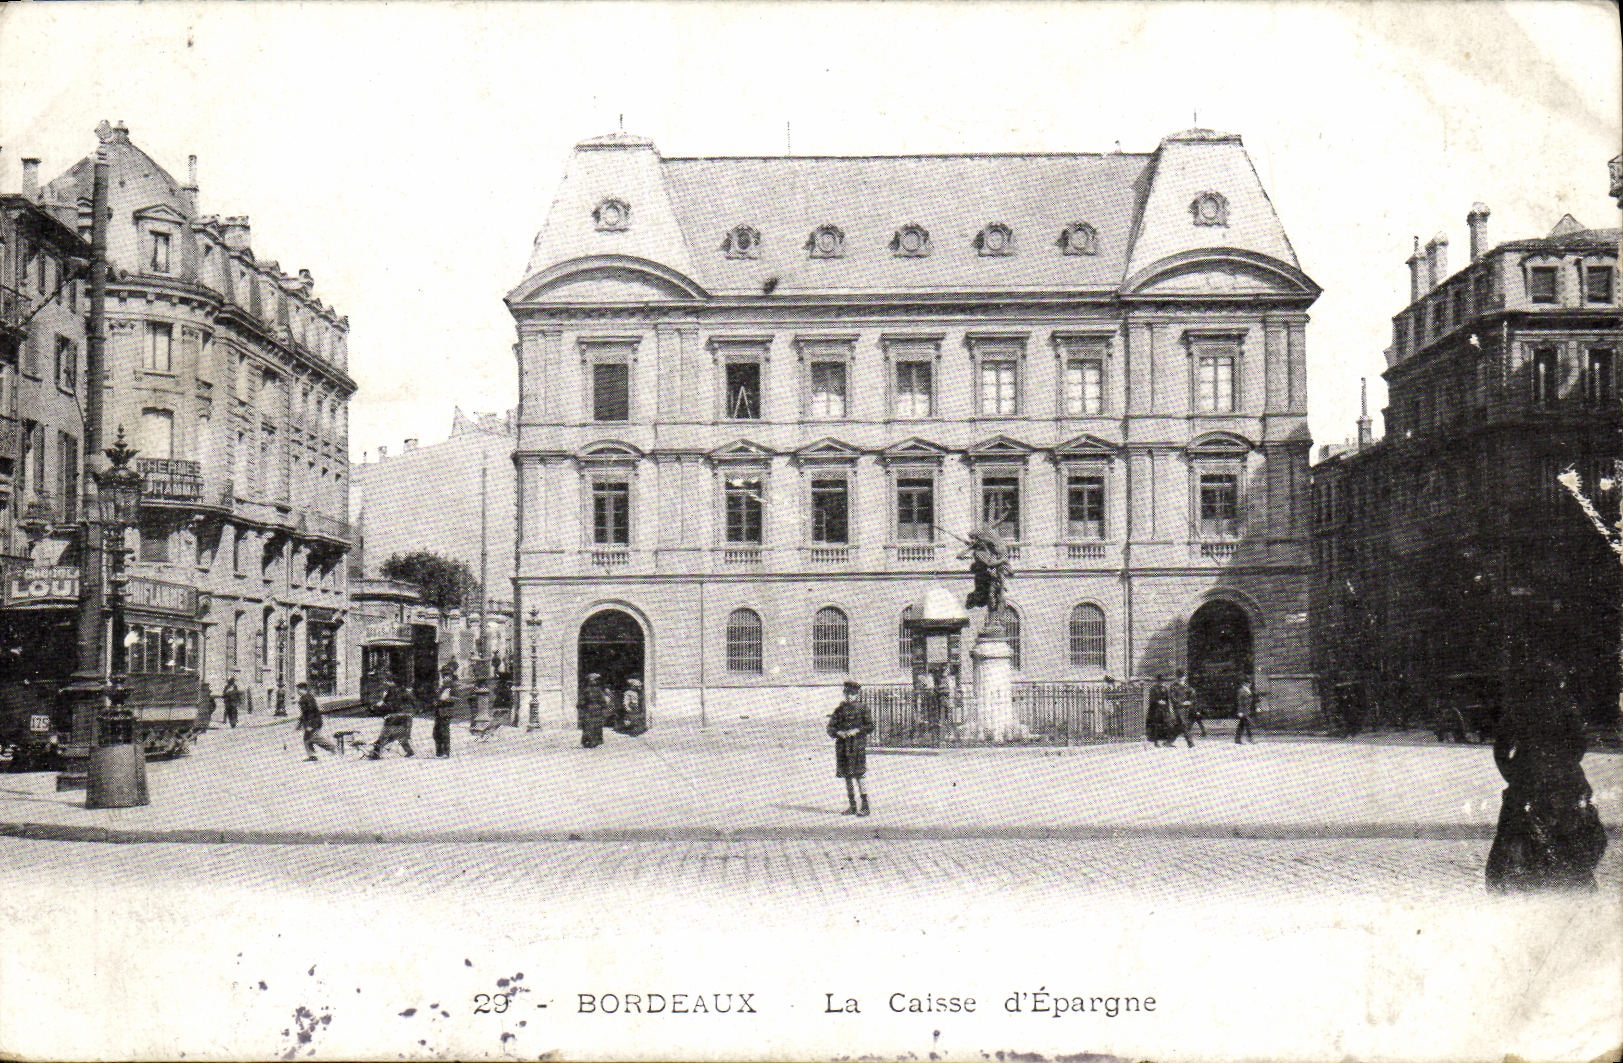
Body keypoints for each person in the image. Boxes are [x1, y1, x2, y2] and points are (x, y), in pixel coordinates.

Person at [1485, 661, 1607, 893]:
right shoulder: (1566, 706)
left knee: (1509, 832)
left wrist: (1513, 774)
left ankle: (1502, 884)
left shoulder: (1519, 708)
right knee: (1572, 832)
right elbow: (1580, 744)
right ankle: (1573, 881)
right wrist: (1564, 763)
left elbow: (1501, 749)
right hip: (1564, 780)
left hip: (1527, 779)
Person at [827, 680, 874, 816]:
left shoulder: (863, 708)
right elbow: (830, 727)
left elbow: (870, 726)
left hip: (857, 746)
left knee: (859, 775)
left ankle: (865, 806)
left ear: (857, 694)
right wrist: (838, 732)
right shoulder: (839, 709)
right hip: (843, 746)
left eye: (852, 694)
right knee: (847, 776)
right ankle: (852, 806)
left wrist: (857, 730)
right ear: (844, 693)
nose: (849, 696)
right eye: (847, 693)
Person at [367, 681, 416, 759]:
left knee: (385, 735)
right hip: (407, 717)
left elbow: (390, 706)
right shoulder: (405, 692)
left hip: (395, 717)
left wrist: (376, 707)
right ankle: (409, 751)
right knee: (401, 736)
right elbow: (414, 704)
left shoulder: (392, 692)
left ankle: (376, 752)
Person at [297, 682, 337, 761]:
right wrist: (300, 723)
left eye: (298, 689)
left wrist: (310, 725)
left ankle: (331, 747)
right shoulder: (306, 697)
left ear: (303, 690)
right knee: (307, 739)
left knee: (315, 738)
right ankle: (312, 756)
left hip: (313, 722)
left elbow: (311, 712)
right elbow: (305, 713)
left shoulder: (306, 698)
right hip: (313, 721)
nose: (297, 691)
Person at [579, 673, 609, 749]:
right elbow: (603, 701)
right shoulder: (598, 690)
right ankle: (595, 741)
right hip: (596, 709)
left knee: (589, 725)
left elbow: (581, 702)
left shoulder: (585, 690)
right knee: (595, 724)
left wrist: (581, 707)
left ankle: (588, 741)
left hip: (589, 709)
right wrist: (603, 707)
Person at [1171, 671, 1202, 738]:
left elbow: (1193, 697)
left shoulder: (1187, 687)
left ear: (1185, 677)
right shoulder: (1173, 687)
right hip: (1178, 709)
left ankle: (1169, 741)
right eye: (1179, 677)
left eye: (1182, 677)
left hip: (1187, 709)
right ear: (1177, 678)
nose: (1181, 679)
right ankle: (1191, 744)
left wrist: (1190, 702)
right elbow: (1173, 698)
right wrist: (1182, 703)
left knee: (1180, 726)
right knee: (1184, 724)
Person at [1145, 675, 1172, 746]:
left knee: (1168, 724)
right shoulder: (1153, 689)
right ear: (1157, 681)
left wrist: (1168, 708)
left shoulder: (1165, 689)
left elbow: (1167, 699)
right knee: (1156, 725)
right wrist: (1158, 701)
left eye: (1162, 681)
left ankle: (1168, 742)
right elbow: (1151, 699)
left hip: (1164, 709)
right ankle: (1156, 742)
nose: (1161, 682)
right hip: (1156, 709)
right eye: (1159, 681)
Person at [432, 680, 455, 759]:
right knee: (436, 733)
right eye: (444, 675)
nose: (446, 677)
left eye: (447, 675)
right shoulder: (440, 688)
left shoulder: (452, 687)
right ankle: (439, 752)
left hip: (446, 713)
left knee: (444, 732)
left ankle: (445, 752)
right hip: (438, 713)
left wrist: (445, 699)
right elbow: (436, 698)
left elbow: (456, 698)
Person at [1234, 677, 1259, 744]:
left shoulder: (1248, 691)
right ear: (1245, 684)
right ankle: (1249, 739)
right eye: (1248, 683)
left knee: (1241, 725)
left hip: (1247, 710)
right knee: (1247, 725)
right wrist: (1240, 711)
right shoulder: (1241, 691)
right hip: (1243, 711)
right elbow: (1240, 702)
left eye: (1249, 683)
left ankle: (1237, 739)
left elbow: (1251, 701)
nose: (1249, 685)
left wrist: (1254, 708)